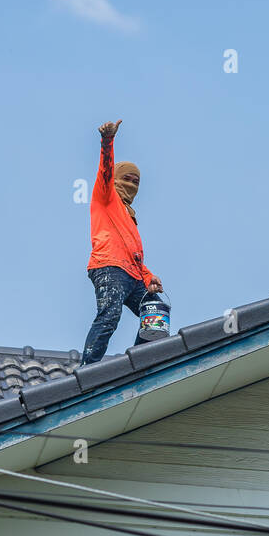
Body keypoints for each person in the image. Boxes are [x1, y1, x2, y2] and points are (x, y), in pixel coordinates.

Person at [80, 119, 168, 365]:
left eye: (136, 182)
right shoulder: (105, 197)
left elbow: (133, 254)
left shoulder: (130, 217)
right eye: (127, 179)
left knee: (156, 313)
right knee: (110, 315)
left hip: (132, 274)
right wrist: (107, 142)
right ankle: (88, 368)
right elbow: (105, 171)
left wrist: (149, 276)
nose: (131, 185)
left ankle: (137, 362)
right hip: (109, 267)